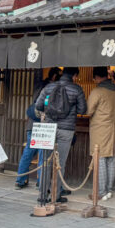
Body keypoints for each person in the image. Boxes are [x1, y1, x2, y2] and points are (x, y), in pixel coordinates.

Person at [35, 66, 86, 203]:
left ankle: (42, 194)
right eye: (76, 76)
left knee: (46, 161)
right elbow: (83, 109)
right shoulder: (77, 89)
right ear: (74, 76)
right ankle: (55, 195)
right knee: (60, 163)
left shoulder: (49, 88)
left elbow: (38, 106)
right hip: (66, 129)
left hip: (48, 128)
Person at [16, 68, 62, 190]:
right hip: (42, 126)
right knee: (43, 155)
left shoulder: (39, 85)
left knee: (28, 153)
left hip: (32, 124)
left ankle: (20, 180)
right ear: (54, 77)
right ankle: (41, 183)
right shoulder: (50, 88)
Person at [87, 66, 115, 201]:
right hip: (114, 128)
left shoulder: (97, 91)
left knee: (100, 158)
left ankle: (101, 192)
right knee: (111, 158)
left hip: (100, 129)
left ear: (97, 77)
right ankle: (108, 190)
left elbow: (89, 110)